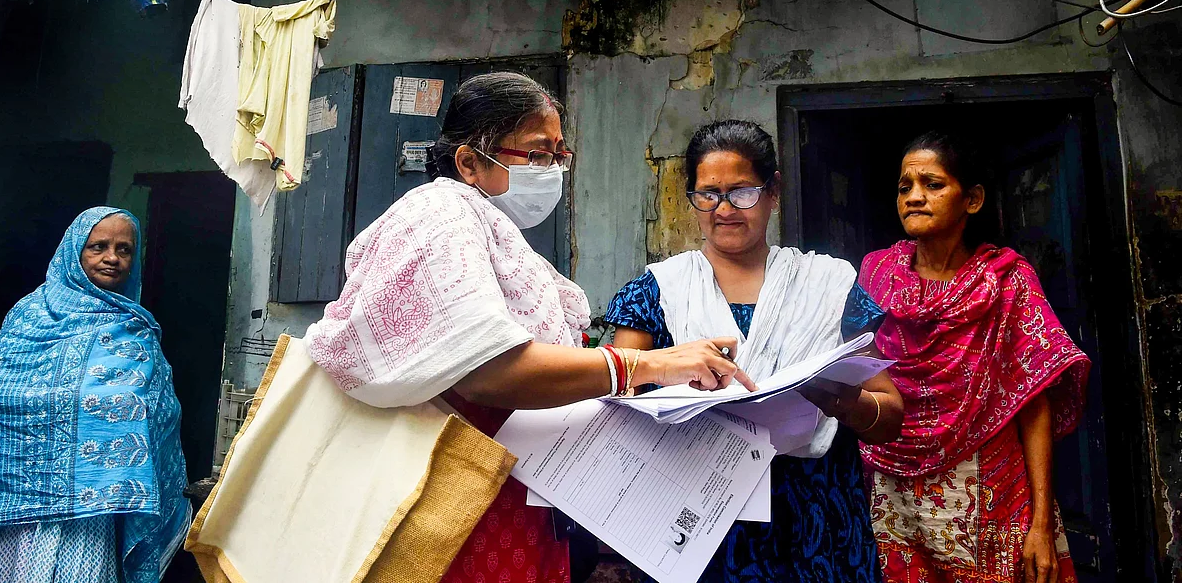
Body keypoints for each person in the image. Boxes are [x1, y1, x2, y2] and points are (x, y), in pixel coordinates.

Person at [299, 73, 755, 583]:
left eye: (559, 155)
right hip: (457, 504)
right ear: (469, 161)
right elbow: (486, 367)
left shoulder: (489, 229)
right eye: (537, 155)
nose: (554, 170)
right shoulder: (440, 215)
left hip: (510, 492)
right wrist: (645, 365)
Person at [606, 119, 904, 583]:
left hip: (816, 519)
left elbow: (891, 414)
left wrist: (848, 403)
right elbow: (618, 409)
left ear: (774, 191)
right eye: (708, 194)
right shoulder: (656, 291)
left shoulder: (828, 286)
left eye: (743, 191)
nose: (724, 209)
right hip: (697, 514)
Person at [859, 131, 1091, 583]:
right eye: (905, 187)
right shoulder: (876, 276)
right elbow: (854, 374)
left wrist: (1041, 522)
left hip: (991, 493)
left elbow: (1034, 400)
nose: (914, 197)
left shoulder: (1007, 282)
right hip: (893, 490)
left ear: (973, 199)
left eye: (933, 184)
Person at [0, 208, 189, 583]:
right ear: (74, 251)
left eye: (124, 249)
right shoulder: (27, 316)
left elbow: (158, 413)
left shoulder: (134, 328)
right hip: (18, 509)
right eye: (99, 246)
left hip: (93, 515)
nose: (113, 258)